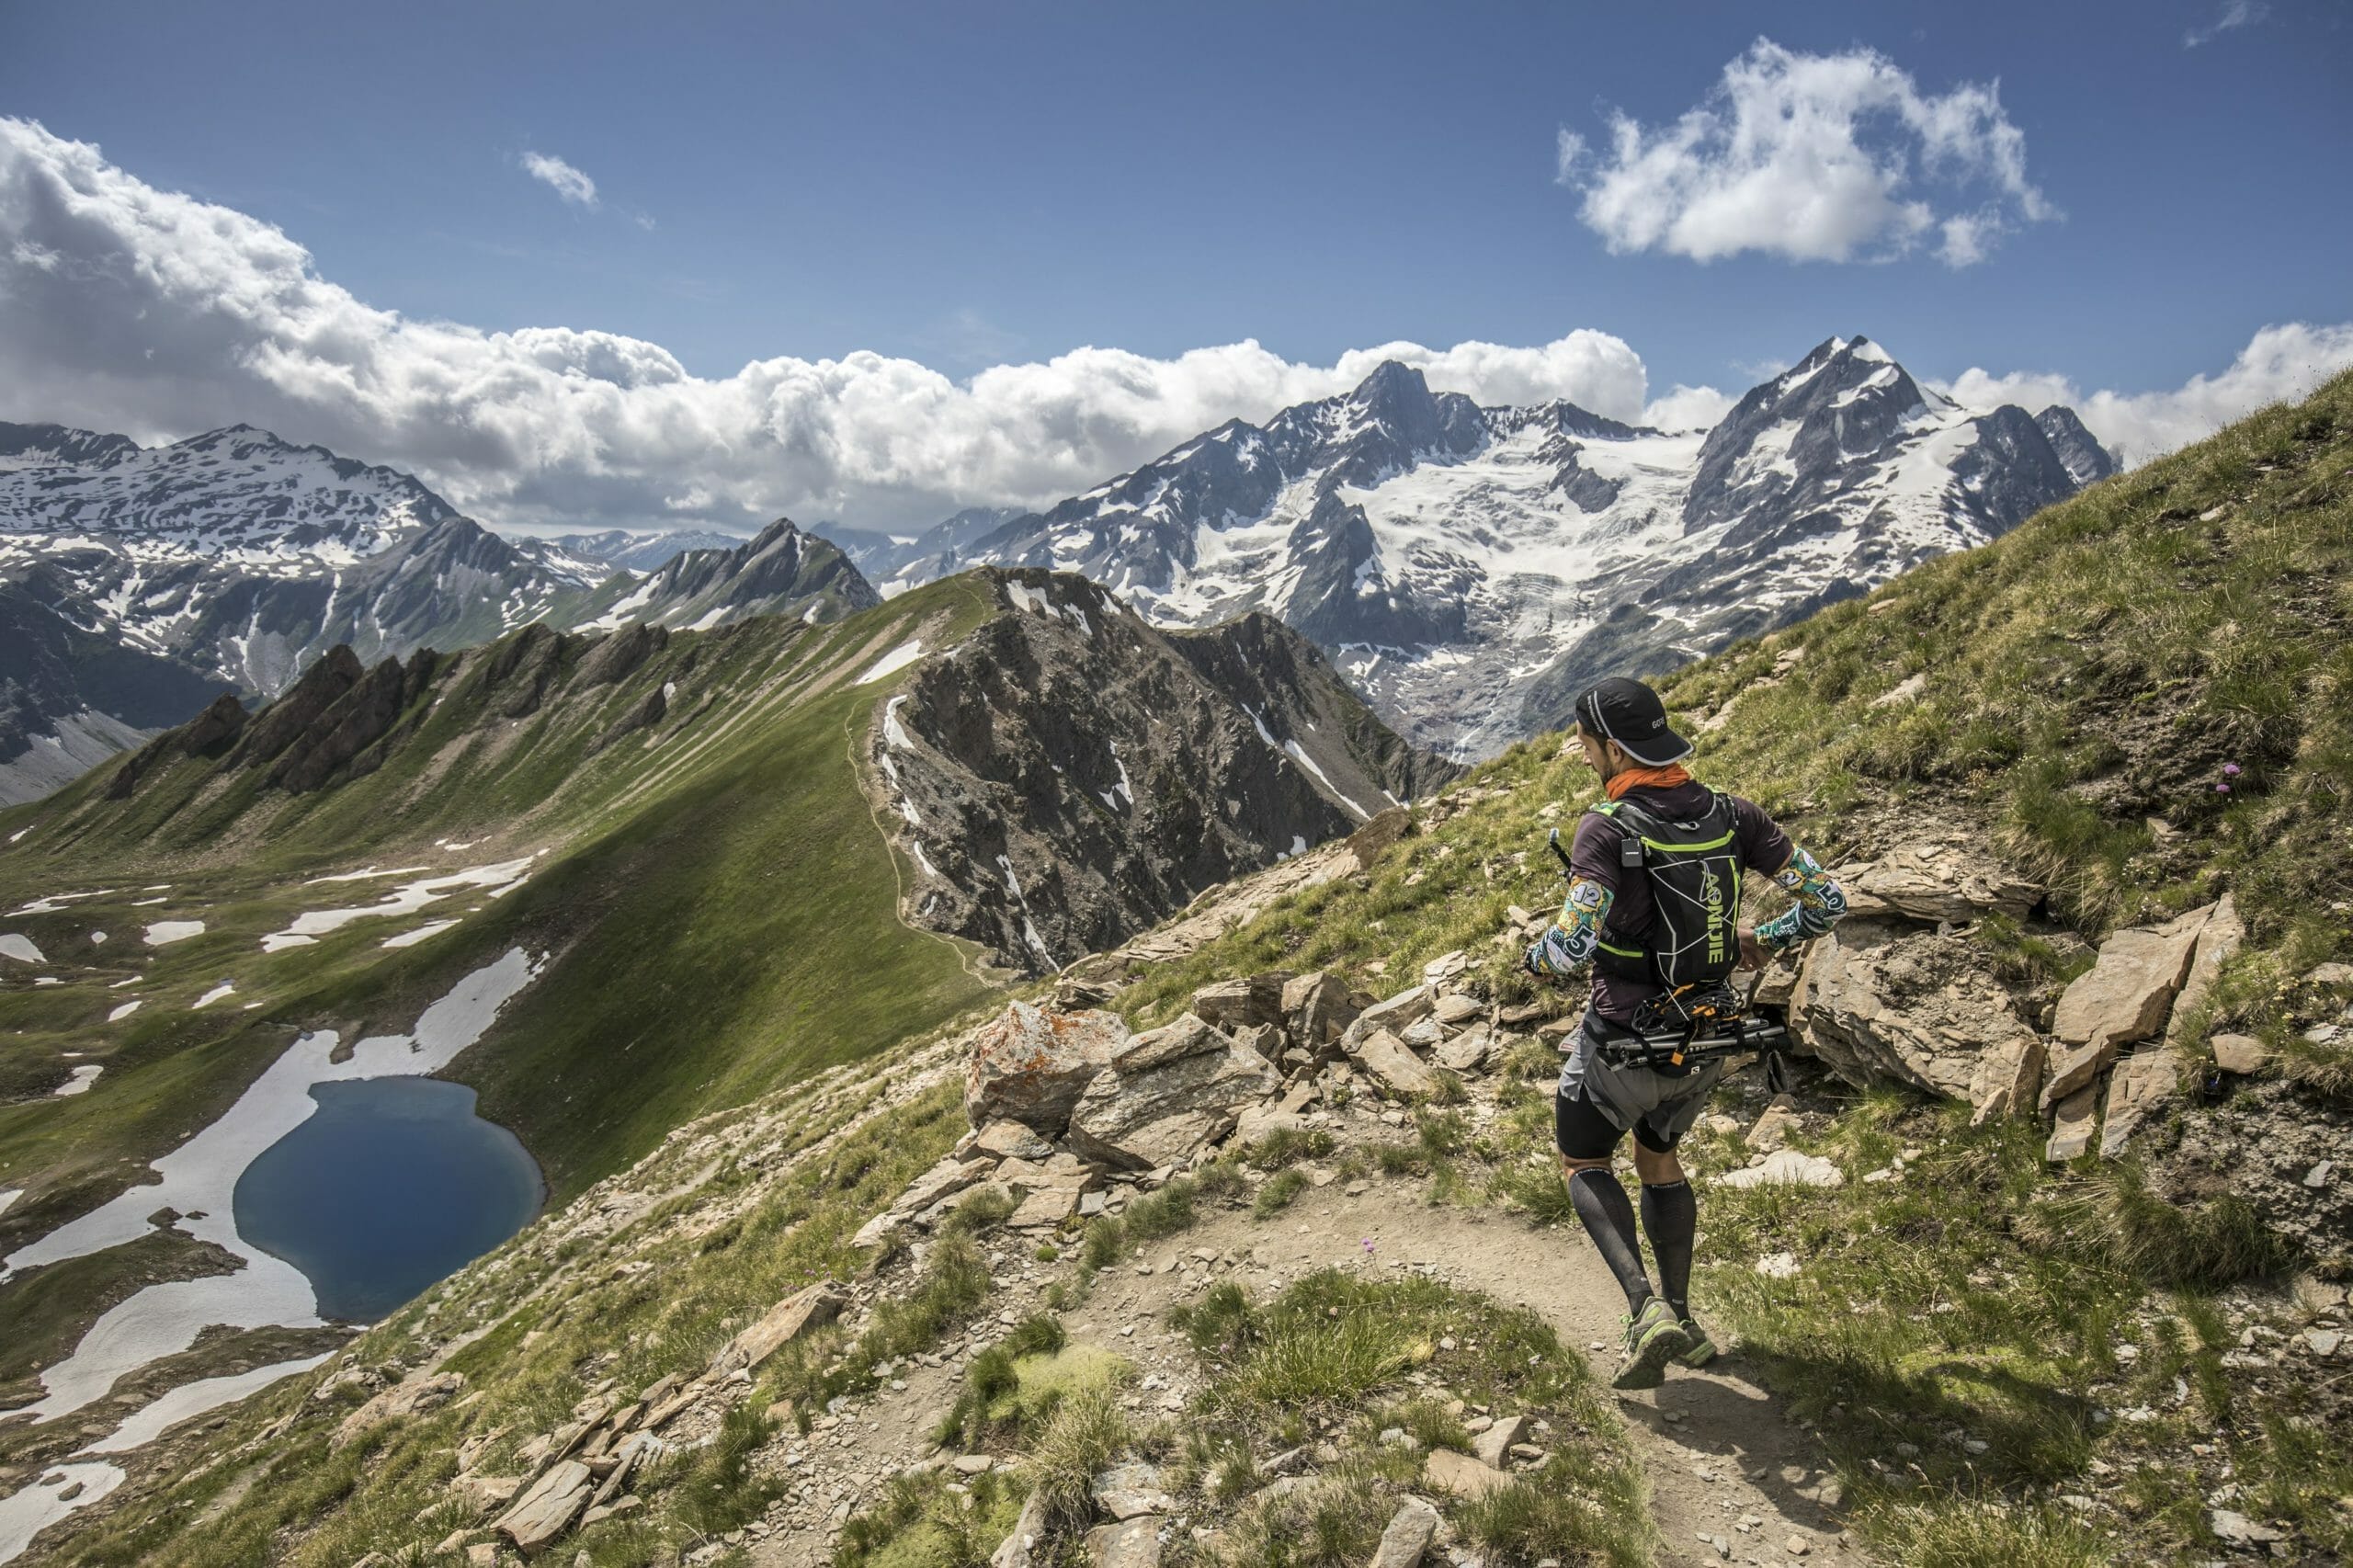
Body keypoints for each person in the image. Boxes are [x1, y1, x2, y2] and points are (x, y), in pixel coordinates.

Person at [1523, 676, 1847, 1390]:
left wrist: (1538, 958)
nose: (1580, 756)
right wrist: (1766, 934)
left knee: (1584, 1164)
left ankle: (1645, 1313)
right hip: (1704, 1040)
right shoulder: (1734, 814)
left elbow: (1573, 944)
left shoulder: (1605, 827)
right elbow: (1827, 899)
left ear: (1612, 746)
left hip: (1623, 1039)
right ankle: (1683, 1317)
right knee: (1659, 1162)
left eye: (1583, 743)